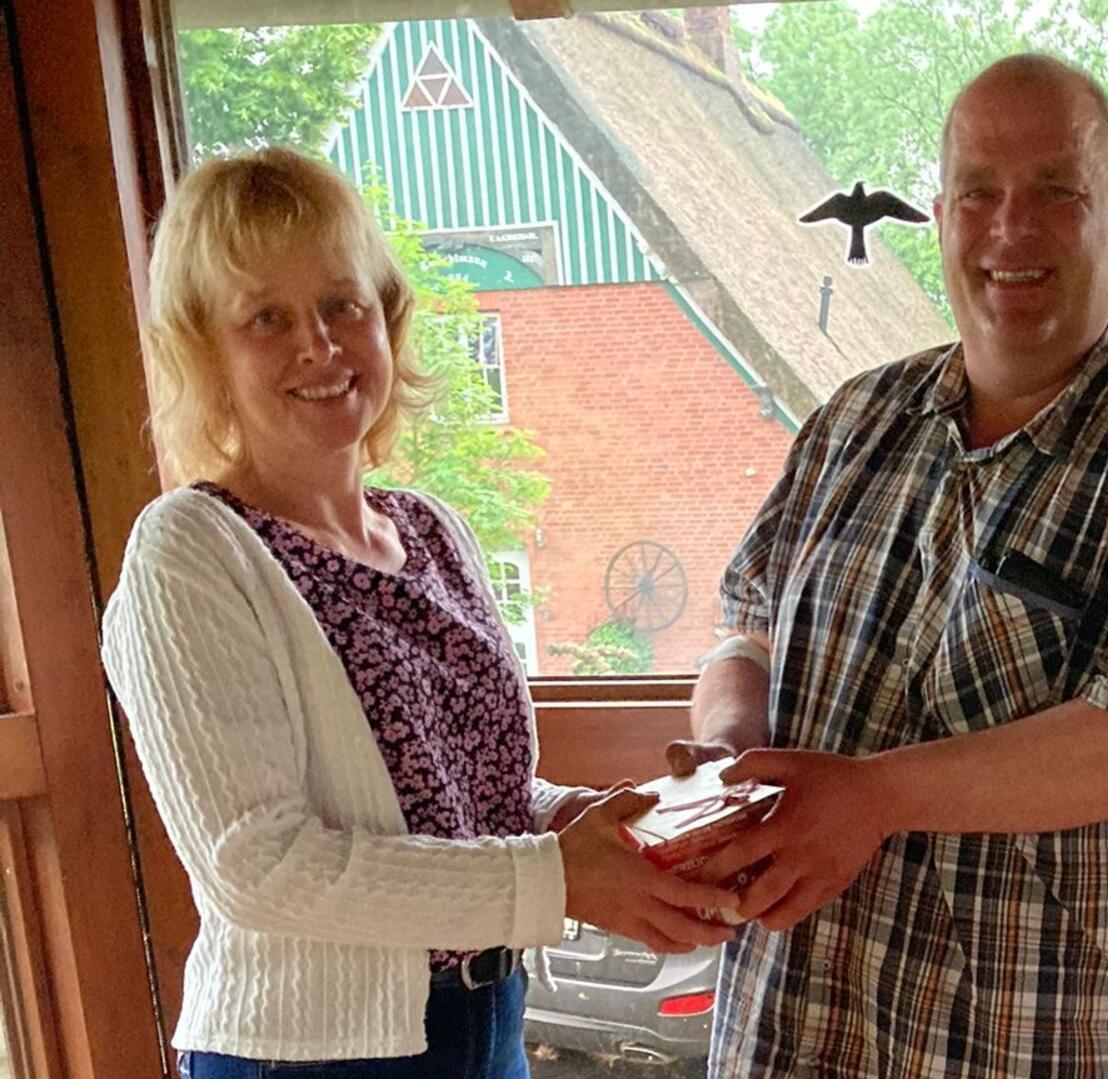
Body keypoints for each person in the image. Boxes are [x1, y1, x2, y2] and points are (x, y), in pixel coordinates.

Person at [666, 53, 1108, 1076]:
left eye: (1056, 190)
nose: (1011, 228)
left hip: (1066, 1048)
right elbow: (745, 619)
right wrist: (729, 749)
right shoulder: (855, 418)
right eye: (980, 194)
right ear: (942, 214)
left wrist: (871, 793)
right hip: (804, 1029)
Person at [101, 148, 737, 1078]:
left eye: (341, 304)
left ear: (387, 317)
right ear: (206, 349)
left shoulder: (432, 530)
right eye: (267, 317)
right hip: (309, 1058)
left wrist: (603, 821)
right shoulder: (189, 551)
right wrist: (563, 876)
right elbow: (258, 866)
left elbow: (473, 799)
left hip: (491, 1021)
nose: (318, 345)